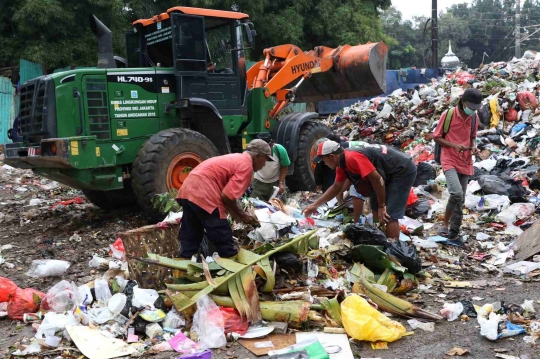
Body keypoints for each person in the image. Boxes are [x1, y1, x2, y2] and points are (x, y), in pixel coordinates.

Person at [176, 139, 274, 259]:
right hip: (205, 193)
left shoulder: (235, 158)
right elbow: (227, 196)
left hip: (188, 189)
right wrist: (242, 214)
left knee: (190, 237)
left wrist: (235, 213)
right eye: (265, 160)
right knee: (223, 239)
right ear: (258, 156)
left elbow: (226, 195)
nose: (264, 164)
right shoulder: (246, 166)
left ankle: (180, 271)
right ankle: (233, 270)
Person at [302, 140, 417, 239]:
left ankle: (395, 250)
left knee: (390, 214)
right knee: (374, 205)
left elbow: (378, 180)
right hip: (388, 171)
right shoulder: (342, 164)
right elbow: (337, 187)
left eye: (324, 160)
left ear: (332, 157)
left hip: (402, 170)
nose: (325, 164)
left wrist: (382, 205)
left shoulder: (352, 158)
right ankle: (380, 235)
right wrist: (314, 205)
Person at [433, 88, 481, 245]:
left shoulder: (474, 118)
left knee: (458, 197)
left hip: (466, 162)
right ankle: (453, 232)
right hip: (449, 159)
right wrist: (454, 145)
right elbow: (437, 137)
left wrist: (473, 147)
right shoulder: (448, 115)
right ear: (464, 102)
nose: (473, 111)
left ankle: (447, 226)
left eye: (476, 108)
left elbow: (472, 137)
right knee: (457, 193)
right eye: (471, 107)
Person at [250, 133, 291, 201]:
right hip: (258, 181)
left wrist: (281, 183)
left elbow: (284, 167)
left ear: (272, 145)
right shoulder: (253, 153)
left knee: (277, 205)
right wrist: (251, 183)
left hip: (275, 182)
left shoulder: (280, 150)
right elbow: (250, 167)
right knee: (255, 205)